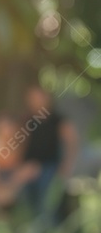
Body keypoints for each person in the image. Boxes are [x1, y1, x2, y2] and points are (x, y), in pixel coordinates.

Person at [19, 85, 78, 225]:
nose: (36, 101)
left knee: (48, 204)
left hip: (50, 167)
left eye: (39, 97)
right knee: (27, 204)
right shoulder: (27, 120)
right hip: (28, 168)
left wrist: (67, 165)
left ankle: (52, 231)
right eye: (33, 98)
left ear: (47, 99)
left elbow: (72, 142)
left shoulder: (58, 120)